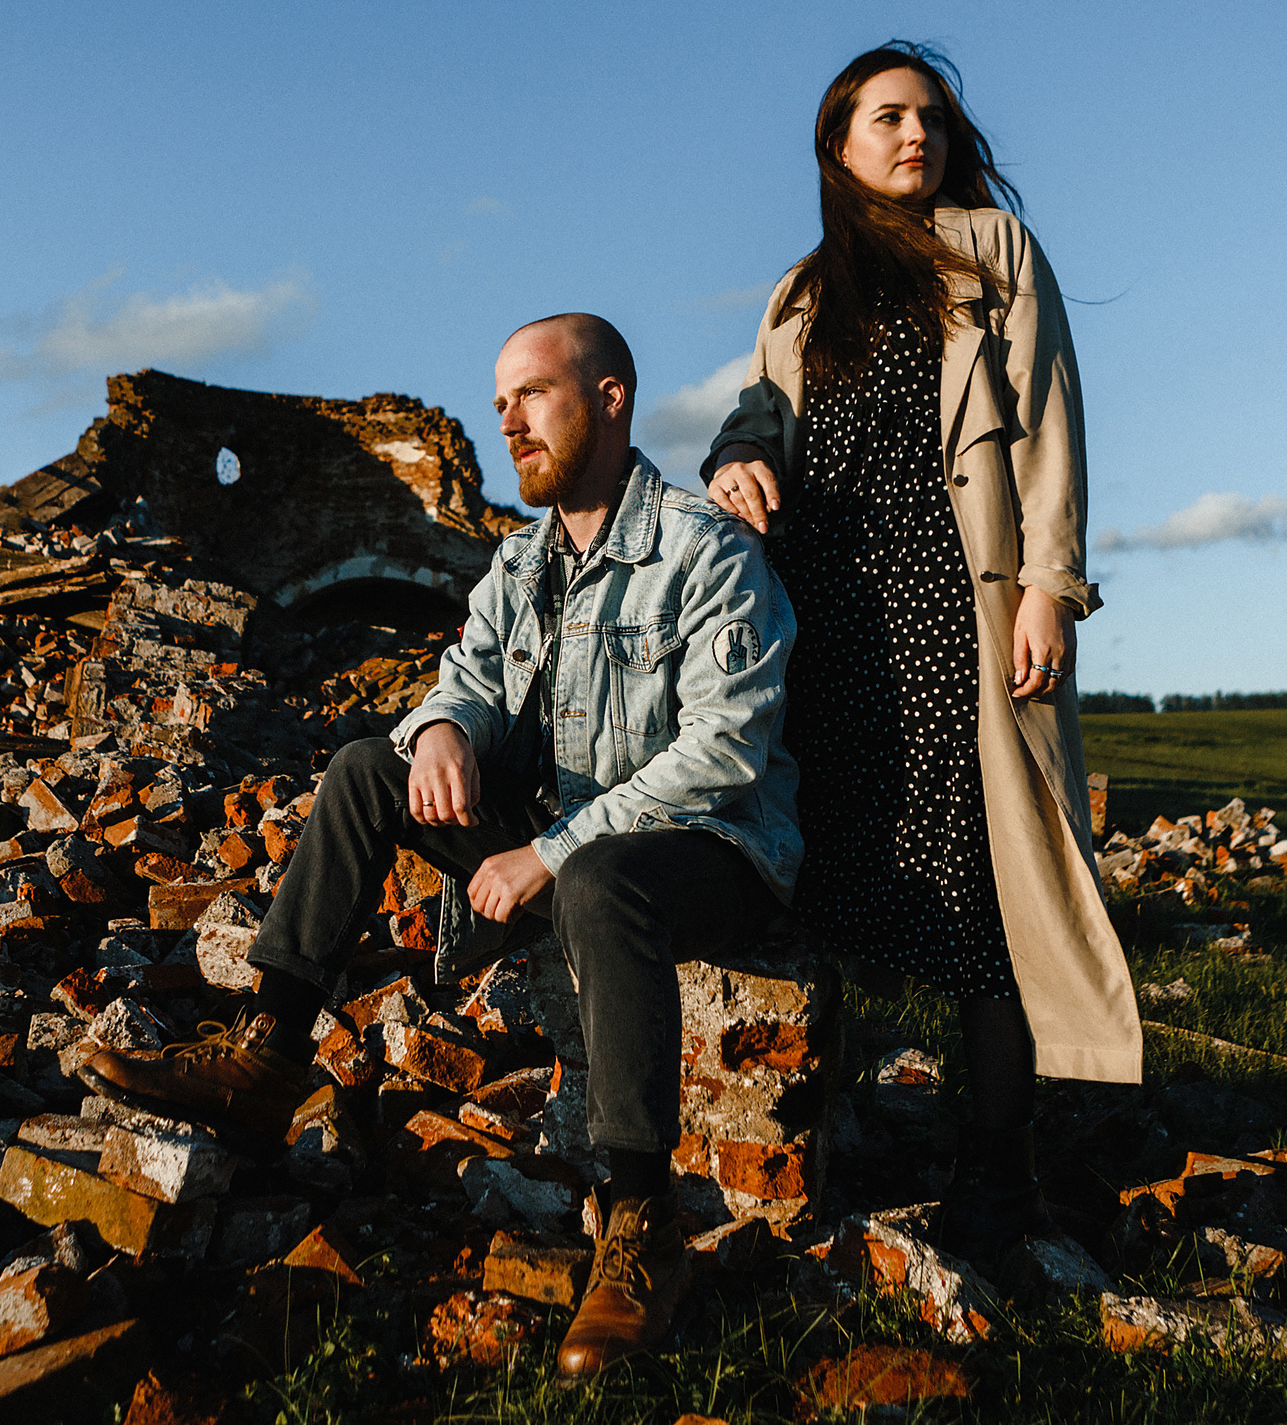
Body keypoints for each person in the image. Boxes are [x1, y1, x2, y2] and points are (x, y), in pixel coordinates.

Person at [83, 312, 801, 1378]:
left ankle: (639, 1226)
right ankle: (268, 1056)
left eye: (532, 393)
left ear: (610, 400)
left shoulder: (706, 554)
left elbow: (725, 751)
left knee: (603, 878)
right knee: (369, 766)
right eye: (498, 398)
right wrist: (442, 732)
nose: (504, 419)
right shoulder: (522, 562)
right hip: (575, 847)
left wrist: (549, 850)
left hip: (706, 855)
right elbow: (461, 675)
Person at [703, 41, 1140, 1255]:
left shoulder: (991, 253)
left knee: (982, 897)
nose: (916, 136)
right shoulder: (799, 294)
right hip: (824, 627)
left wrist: (1050, 587)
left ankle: (996, 1179)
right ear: (836, 143)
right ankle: (815, 1147)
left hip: (956, 611)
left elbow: (1047, 418)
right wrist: (735, 453)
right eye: (888, 117)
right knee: (834, 877)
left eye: (934, 120)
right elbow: (762, 415)